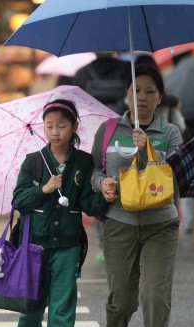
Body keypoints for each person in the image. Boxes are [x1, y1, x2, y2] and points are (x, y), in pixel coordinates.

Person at [90, 64, 182, 327]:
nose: (142, 97)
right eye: (136, 90)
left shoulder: (169, 132)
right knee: (121, 300)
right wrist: (101, 183)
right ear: (127, 94)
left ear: (160, 99)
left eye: (149, 92)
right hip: (119, 223)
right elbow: (93, 170)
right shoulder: (108, 130)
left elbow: (174, 176)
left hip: (161, 224)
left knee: (155, 296)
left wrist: (149, 150)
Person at [12, 99, 112, 327]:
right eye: (49, 125)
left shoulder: (83, 161)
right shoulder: (33, 162)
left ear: (74, 127)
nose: (55, 131)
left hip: (69, 243)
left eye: (62, 125)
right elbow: (19, 199)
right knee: (32, 303)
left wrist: (104, 197)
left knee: (63, 303)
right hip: (35, 244)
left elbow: (88, 205)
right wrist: (44, 189)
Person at [74, 52, 131, 262]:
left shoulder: (83, 74)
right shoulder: (127, 71)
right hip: (123, 132)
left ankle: (103, 243)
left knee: (99, 180)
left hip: (94, 132)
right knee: (125, 178)